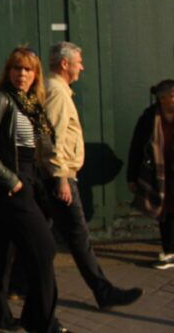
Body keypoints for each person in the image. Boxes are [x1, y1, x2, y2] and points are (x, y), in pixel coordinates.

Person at [40, 41, 144, 307]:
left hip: (55, 175)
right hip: (60, 177)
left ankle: (15, 285)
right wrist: (62, 177)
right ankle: (103, 292)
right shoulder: (57, 93)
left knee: (40, 235)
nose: (82, 67)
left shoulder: (57, 90)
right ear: (65, 64)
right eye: (79, 62)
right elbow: (54, 137)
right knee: (78, 237)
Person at [0, 46, 65, 333]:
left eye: (28, 69)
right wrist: (10, 180)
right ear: (8, 71)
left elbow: (41, 147)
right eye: (16, 68)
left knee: (0, 251)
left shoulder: (30, 104)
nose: (22, 74)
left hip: (28, 182)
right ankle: (41, 322)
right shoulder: (0, 100)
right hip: (10, 186)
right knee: (44, 249)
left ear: (36, 74)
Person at [128, 79, 174, 269]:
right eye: (171, 96)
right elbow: (136, 147)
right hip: (159, 172)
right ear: (162, 99)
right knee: (165, 210)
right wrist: (131, 177)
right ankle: (169, 251)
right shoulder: (149, 118)